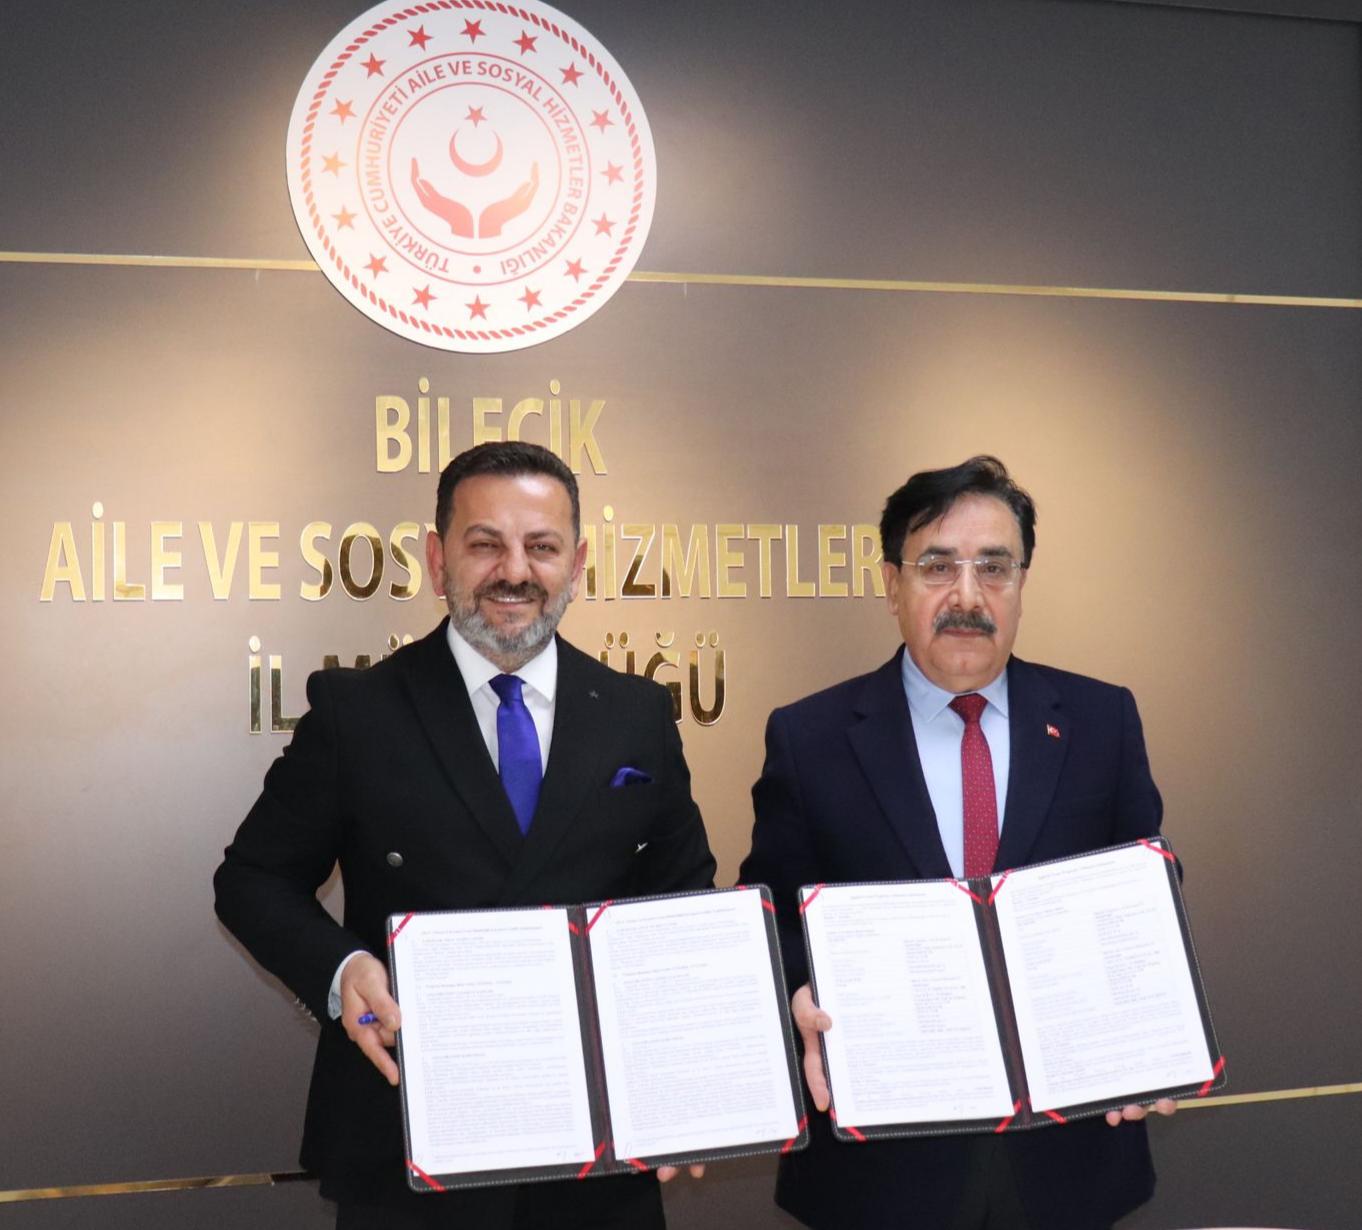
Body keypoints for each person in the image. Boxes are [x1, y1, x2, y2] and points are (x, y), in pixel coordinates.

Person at [215, 441, 715, 1230]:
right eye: (485, 544)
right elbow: (252, 880)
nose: (514, 571)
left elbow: (684, 903)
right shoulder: (357, 713)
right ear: (436, 557)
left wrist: (683, 1079)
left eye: (541, 546)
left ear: (578, 563)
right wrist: (343, 969)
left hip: (600, 1155)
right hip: (409, 1143)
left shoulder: (637, 714)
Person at [739, 456, 1173, 1230]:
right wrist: (797, 994)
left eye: (994, 568)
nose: (967, 596)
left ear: (1022, 582)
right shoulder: (810, 738)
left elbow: (1144, 909)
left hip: (1068, 1163)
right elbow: (772, 924)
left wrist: (1148, 1023)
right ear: (891, 584)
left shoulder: (1102, 722)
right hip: (880, 1175)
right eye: (937, 566)